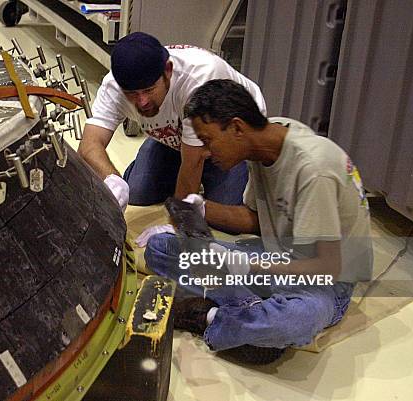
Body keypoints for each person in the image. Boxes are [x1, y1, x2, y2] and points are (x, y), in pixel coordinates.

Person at [142, 79, 373, 364]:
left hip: (324, 282)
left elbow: (325, 267)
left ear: (237, 128)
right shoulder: (265, 141)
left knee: (297, 319)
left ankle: (213, 318)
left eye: (208, 141)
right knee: (160, 248)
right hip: (276, 256)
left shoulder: (315, 171)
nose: (203, 152)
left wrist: (243, 265)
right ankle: (249, 316)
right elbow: (256, 220)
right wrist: (202, 210)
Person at [77, 32, 266, 212]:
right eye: (132, 94)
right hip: (175, 139)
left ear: (168, 71)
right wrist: (111, 178)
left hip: (228, 141)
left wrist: (177, 222)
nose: (142, 102)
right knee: (137, 193)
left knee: (224, 209)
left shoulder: (200, 78)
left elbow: (194, 160)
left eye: (149, 90)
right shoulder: (114, 85)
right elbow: (88, 146)